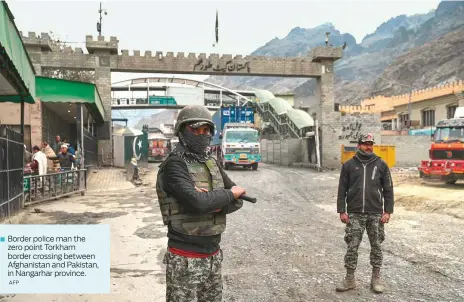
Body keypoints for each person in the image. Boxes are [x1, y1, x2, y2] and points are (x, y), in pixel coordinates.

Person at [156, 105, 247, 302]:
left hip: (213, 256)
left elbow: (237, 199)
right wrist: (217, 198)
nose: (202, 134)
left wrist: (210, 200)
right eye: (195, 129)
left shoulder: (211, 162)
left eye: (206, 130)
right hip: (184, 258)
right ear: (182, 131)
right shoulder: (175, 164)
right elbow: (198, 203)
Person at [336, 133, 394, 294]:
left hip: (375, 213)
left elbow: (388, 189)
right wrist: (342, 210)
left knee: (376, 246)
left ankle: (376, 279)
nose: (368, 147)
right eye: (365, 144)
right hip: (354, 213)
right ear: (359, 145)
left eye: (371, 144)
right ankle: (349, 279)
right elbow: (342, 190)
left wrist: (388, 211)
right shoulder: (348, 165)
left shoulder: (381, 164)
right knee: (352, 246)